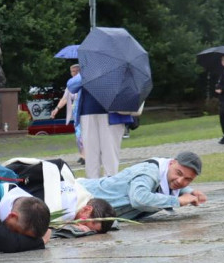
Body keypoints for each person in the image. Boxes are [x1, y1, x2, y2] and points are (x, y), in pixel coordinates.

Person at [78, 151, 207, 221]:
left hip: (90, 206)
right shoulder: (149, 172)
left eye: (187, 179)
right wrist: (176, 201)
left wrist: (189, 192)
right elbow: (139, 199)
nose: (180, 181)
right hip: (78, 195)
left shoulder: (165, 171)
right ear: (171, 163)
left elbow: (168, 185)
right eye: (179, 173)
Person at [66, 68, 133, 177]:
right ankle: (93, 187)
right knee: (91, 156)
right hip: (87, 114)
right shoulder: (88, 69)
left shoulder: (120, 67)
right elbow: (71, 86)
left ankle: (110, 186)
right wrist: (92, 73)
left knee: (110, 155)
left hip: (113, 115)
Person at [49, 63, 83, 164]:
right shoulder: (71, 85)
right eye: (73, 72)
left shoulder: (84, 82)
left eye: (76, 72)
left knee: (83, 134)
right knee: (78, 134)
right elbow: (64, 98)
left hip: (83, 111)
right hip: (76, 111)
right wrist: (57, 109)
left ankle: (86, 155)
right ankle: (82, 154)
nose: (74, 74)